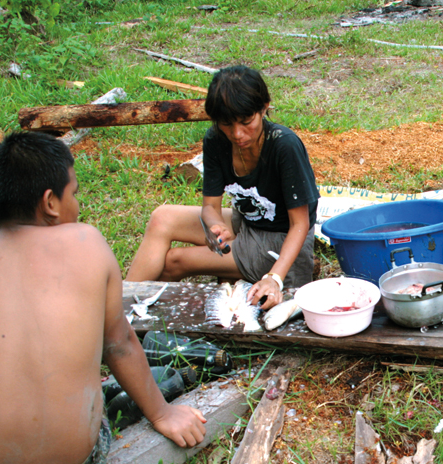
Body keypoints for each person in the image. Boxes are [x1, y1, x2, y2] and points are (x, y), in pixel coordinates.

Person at [0, 131, 207, 464]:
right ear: (50, 202)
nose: (77, 204)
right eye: (74, 193)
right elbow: (119, 343)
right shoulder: (88, 243)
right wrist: (162, 414)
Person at [125, 65, 320, 310]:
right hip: (249, 223)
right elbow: (209, 206)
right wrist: (213, 224)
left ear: (264, 107)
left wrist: (274, 278)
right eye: (226, 124)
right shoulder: (216, 139)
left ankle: (131, 317)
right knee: (161, 217)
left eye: (246, 122)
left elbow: (300, 224)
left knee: (174, 260)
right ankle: (120, 306)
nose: (237, 134)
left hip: (280, 241)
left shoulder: (284, 146)